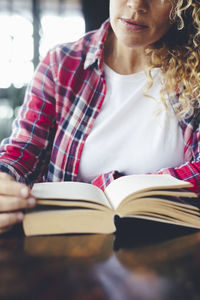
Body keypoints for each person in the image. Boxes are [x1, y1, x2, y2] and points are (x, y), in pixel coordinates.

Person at [0, 0, 200, 234]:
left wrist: (105, 189)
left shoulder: (194, 79)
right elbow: (24, 149)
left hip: (169, 256)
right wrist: (5, 178)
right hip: (64, 253)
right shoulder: (61, 64)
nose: (136, 4)